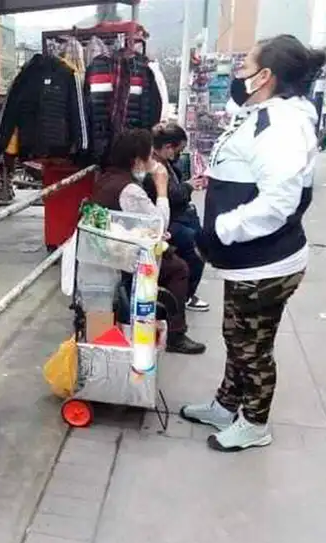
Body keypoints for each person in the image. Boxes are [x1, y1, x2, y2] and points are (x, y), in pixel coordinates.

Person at [180, 35, 325, 452]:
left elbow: (278, 202)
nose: (238, 73)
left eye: (245, 64)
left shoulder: (279, 124)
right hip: (249, 262)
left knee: (252, 347)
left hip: (264, 263)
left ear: (265, 76)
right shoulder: (266, 112)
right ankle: (227, 405)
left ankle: (255, 423)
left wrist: (220, 230)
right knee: (236, 336)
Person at [90, 129, 207, 355]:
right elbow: (159, 223)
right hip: (122, 258)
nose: (151, 163)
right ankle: (175, 333)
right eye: (148, 158)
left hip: (104, 252)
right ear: (136, 160)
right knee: (179, 268)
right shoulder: (130, 189)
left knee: (175, 249)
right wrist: (161, 186)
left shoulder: (107, 179)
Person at [146, 123, 210, 312]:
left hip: (177, 215)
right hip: (167, 221)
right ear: (167, 148)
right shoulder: (156, 168)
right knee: (195, 247)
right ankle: (186, 294)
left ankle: (185, 292)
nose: (179, 155)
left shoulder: (165, 163)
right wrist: (189, 186)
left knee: (200, 241)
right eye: (178, 150)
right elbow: (171, 195)